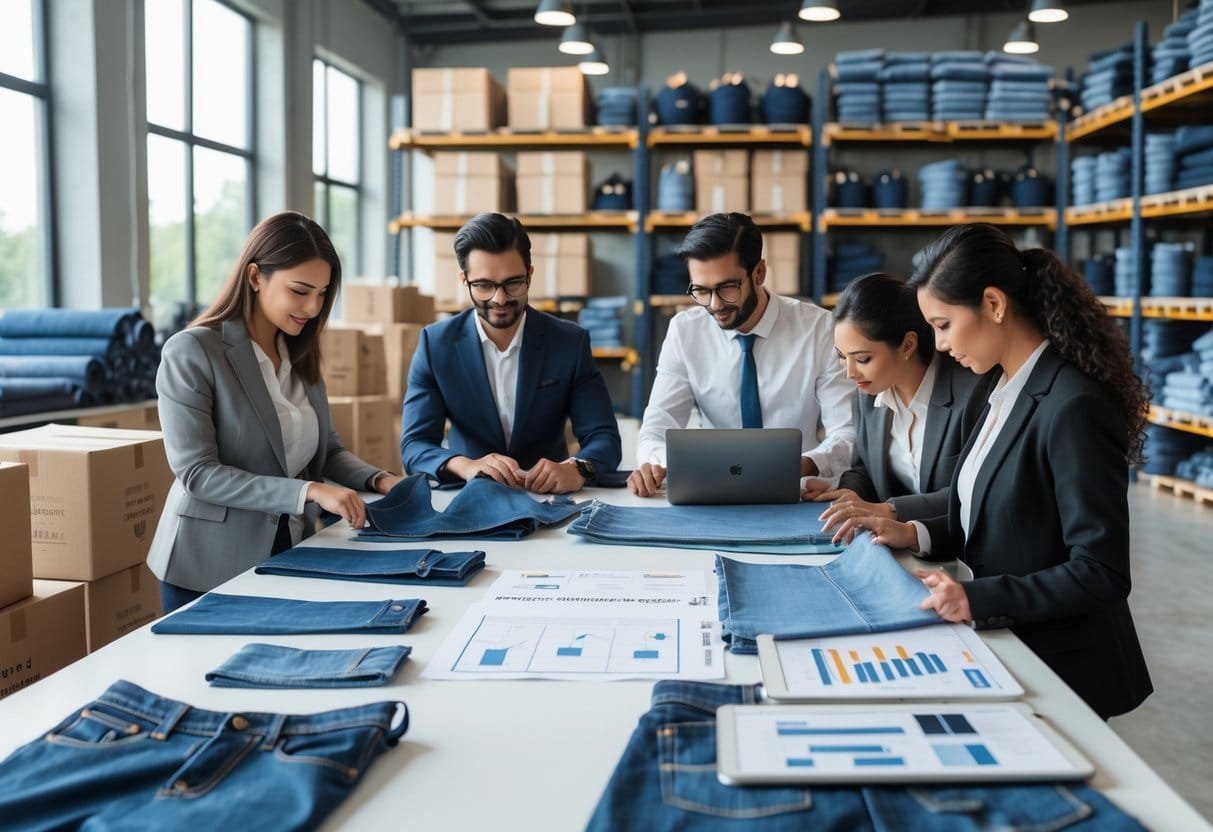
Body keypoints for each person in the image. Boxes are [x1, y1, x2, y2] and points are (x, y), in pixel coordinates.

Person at [834, 223, 1152, 719]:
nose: (938, 346)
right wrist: (912, 531)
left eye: (943, 325)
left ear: (994, 304)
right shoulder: (1004, 390)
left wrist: (977, 597)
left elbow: (1100, 571)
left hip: (1066, 669)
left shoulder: (1072, 405)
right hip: (1010, 647)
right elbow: (995, 513)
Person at [147, 211, 403, 613]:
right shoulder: (193, 352)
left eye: (321, 294)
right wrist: (309, 491)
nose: (313, 307)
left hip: (290, 547)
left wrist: (380, 478)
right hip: (206, 566)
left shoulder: (300, 352)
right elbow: (198, 474)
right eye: (300, 291)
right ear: (255, 278)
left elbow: (328, 451)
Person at [629, 212, 855, 497]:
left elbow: (848, 431)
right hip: (711, 491)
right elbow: (656, 426)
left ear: (759, 272)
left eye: (727, 288)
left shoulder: (819, 329)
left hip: (796, 491)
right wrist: (656, 462)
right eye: (701, 290)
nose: (714, 304)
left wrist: (805, 464)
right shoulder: (685, 332)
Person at [400, 212, 621, 493]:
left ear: (530, 274)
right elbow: (414, 446)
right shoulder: (436, 345)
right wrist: (465, 465)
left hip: (551, 498)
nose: (499, 298)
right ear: (463, 279)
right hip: (469, 496)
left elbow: (604, 437)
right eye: (484, 285)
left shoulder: (569, 343)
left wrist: (577, 468)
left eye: (512, 283)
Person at [806, 272, 997, 535]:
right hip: (899, 544)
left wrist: (890, 510)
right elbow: (864, 466)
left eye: (862, 359)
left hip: (961, 547)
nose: (850, 373)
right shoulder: (869, 393)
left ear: (907, 344)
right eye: (842, 357)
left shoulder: (973, 393)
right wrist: (850, 493)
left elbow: (973, 490)